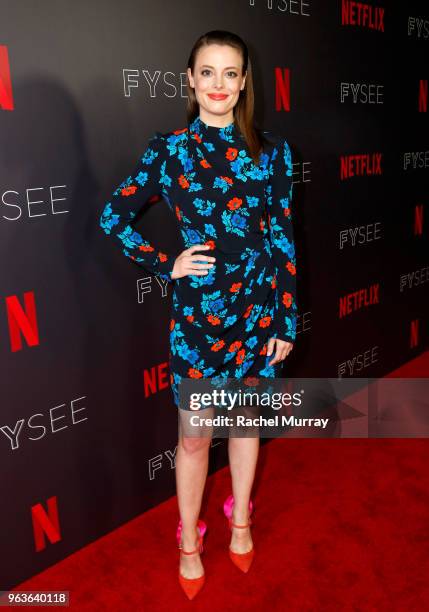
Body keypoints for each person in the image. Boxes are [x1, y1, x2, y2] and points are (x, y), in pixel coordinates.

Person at [99, 30, 298, 600]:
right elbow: (114, 217)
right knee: (193, 437)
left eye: (230, 73)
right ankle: (188, 537)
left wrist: (285, 321)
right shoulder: (169, 152)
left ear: (244, 82)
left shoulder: (273, 151)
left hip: (258, 315)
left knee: (244, 425)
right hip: (198, 320)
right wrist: (167, 263)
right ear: (190, 80)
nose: (218, 85)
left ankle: (240, 521)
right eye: (207, 72)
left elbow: (283, 241)